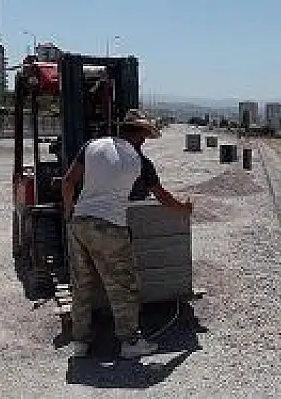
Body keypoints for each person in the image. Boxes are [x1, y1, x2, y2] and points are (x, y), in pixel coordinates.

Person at [61, 109, 193, 359]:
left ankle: (80, 342)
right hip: (110, 227)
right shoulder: (139, 160)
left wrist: (70, 212)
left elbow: (68, 182)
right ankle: (130, 342)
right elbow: (162, 197)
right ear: (142, 135)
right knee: (124, 286)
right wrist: (184, 208)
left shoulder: (92, 146)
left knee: (82, 285)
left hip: (79, 223)